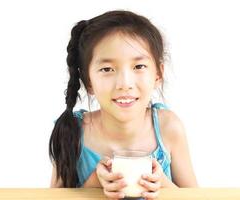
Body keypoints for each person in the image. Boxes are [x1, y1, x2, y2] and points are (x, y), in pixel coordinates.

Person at [49, 10, 198, 199]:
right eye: (107, 69)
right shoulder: (72, 132)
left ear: (158, 74)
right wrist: (94, 182)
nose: (124, 83)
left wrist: (163, 185)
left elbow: (196, 196)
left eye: (138, 66)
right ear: (88, 81)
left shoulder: (168, 127)